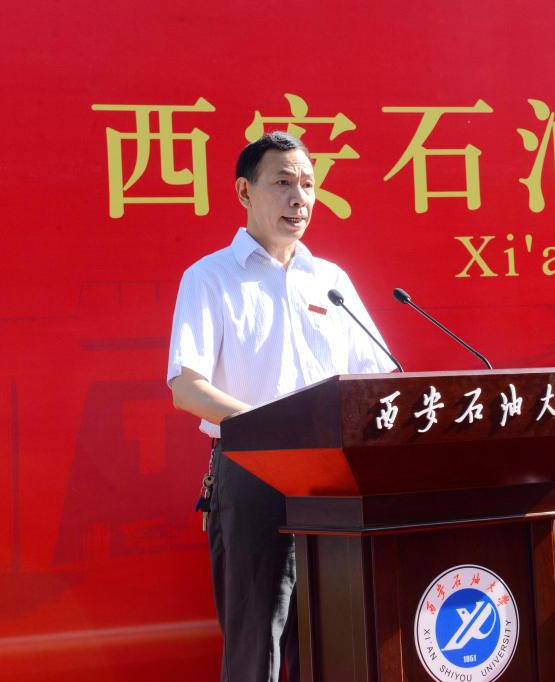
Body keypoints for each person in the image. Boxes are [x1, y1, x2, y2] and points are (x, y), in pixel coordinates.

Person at [167, 131, 396, 682]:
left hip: (335, 480)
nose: (300, 198)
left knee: (341, 635)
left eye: (309, 185)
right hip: (253, 474)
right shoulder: (210, 277)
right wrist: (276, 430)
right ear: (244, 192)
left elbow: (380, 379)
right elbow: (187, 387)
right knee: (258, 642)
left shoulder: (331, 280)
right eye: (283, 183)